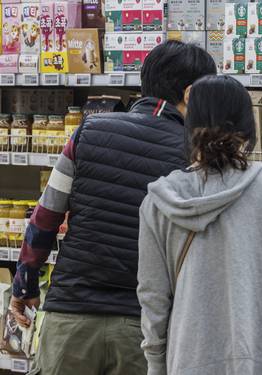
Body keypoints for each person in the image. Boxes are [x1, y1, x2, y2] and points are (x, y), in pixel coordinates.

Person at [9, 41, 217, 375]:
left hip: (70, 318)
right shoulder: (196, 156)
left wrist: (25, 283)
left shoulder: (89, 131)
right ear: (193, 95)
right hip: (145, 330)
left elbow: (45, 216)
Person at [137, 75, 262, 375]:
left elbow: (152, 295)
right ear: (249, 126)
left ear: (189, 127)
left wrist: (156, 363)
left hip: (190, 358)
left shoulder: (160, 201)